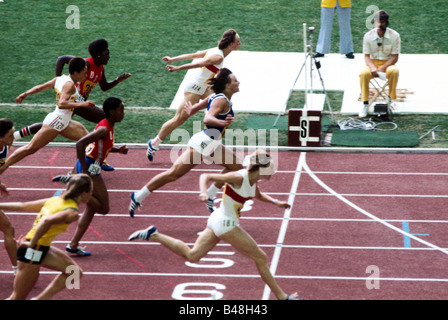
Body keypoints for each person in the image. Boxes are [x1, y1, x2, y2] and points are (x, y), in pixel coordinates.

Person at [129, 149, 299, 300]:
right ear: (261, 168)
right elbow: (206, 176)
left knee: (193, 255)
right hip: (226, 224)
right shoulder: (238, 177)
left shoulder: (252, 182)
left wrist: (276, 202)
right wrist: (203, 193)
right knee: (260, 257)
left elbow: (258, 195)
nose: (273, 171)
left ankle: (154, 235)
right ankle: (282, 297)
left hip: (217, 220)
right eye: (270, 167)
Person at [129, 68, 243, 217]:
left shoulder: (217, 97)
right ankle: (138, 196)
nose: (238, 82)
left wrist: (191, 109)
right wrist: (221, 123)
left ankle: (210, 194)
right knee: (173, 174)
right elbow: (207, 119)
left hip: (213, 143)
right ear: (227, 85)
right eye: (235, 80)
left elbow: (192, 110)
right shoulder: (221, 100)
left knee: (237, 167)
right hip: (203, 143)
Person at [14, 39, 131, 171]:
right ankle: (99, 157)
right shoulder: (85, 63)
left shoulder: (100, 69)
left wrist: (117, 80)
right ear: (98, 54)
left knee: (52, 126)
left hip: (77, 102)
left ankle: (16, 135)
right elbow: (62, 59)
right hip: (75, 101)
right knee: (104, 118)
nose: (109, 56)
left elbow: (104, 87)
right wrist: (59, 81)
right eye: (106, 53)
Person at [146, 29, 241, 162]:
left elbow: (193, 55)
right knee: (179, 119)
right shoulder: (218, 56)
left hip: (204, 87)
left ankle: (214, 141)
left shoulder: (216, 51)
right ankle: (154, 143)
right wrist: (178, 67)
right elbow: (198, 63)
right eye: (237, 41)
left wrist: (174, 59)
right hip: (195, 88)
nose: (240, 43)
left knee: (223, 103)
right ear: (230, 44)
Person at [0, 174, 93, 300]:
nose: (92, 194)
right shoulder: (72, 212)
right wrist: (32, 243)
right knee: (16, 298)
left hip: (40, 248)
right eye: (91, 191)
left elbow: (23, 205)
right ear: (83, 193)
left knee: (74, 272)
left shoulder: (54, 200)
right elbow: (47, 221)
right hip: (32, 250)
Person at [54, 97, 127, 256]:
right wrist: (85, 173)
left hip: (91, 165)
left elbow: (100, 145)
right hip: (90, 167)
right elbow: (80, 144)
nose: (123, 113)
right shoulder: (104, 128)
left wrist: (118, 150)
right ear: (112, 111)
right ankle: (74, 190)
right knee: (103, 208)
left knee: (92, 209)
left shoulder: (107, 127)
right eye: (121, 110)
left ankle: (73, 244)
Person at [0, 57, 94, 177]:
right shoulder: (69, 86)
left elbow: (40, 87)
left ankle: (74, 175)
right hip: (56, 123)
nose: (86, 75)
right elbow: (62, 104)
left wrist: (26, 93)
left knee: (86, 141)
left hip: (64, 122)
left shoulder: (60, 79)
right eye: (84, 73)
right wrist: (83, 104)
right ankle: (3, 167)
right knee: (30, 148)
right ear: (75, 73)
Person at [359, 10, 400, 118]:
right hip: (372, 64)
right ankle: (365, 103)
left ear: (386, 22)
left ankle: (389, 98)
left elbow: (395, 57)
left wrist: (382, 67)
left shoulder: (394, 36)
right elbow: (366, 56)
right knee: (363, 74)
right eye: (377, 22)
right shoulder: (368, 36)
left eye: (382, 22)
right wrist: (372, 67)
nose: (379, 25)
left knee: (394, 71)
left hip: (387, 64)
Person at [0, 118, 18, 275]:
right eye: (11, 135)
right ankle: (18, 269)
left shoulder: (4, 147)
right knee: (8, 228)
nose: (13, 138)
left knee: (8, 229)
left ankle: (17, 269)